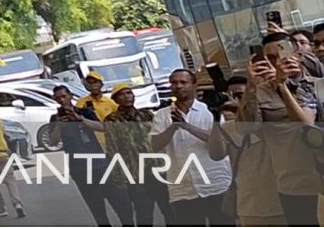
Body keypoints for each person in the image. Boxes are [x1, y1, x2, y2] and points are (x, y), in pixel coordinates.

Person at [236, 35, 319, 225]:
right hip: (294, 185)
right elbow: (245, 129)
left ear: (298, 55)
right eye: (271, 58)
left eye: (282, 55)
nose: (276, 62)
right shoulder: (260, 92)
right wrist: (250, 87)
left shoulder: (317, 85)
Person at [150, 68, 233, 226]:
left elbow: (220, 142)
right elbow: (155, 146)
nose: (179, 86)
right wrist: (173, 127)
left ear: (194, 85)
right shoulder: (161, 116)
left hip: (216, 183)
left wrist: (186, 126)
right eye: (174, 83)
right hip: (183, 190)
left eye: (183, 82)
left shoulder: (210, 111)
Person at [209, 74, 285, 227]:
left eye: (240, 96)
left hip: (283, 201)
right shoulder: (227, 128)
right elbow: (216, 154)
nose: (234, 101)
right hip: (250, 204)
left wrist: (242, 112)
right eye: (229, 96)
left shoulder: (273, 122)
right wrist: (215, 117)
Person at [50, 84, 127, 227]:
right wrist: (59, 125)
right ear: (55, 99)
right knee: (96, 207)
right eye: (58, 98)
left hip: (100, 163)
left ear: (70, 96)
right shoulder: (55, 118)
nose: (62, 100)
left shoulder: (85, 112)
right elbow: (53, 141)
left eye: (64, 96)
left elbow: (102, 127)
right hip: (79, 167)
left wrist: (80, 119)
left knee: (118, 200)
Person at [102, 83, 155, 227]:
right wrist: (119, 178)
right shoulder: (112, 120)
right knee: (144, 212)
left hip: (155, 169)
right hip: (134, 172)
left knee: (168, 210)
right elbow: (112, 150)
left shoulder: (146, 115)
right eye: (122, 94)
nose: (127, 97)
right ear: (116, 99)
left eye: (129, 93)